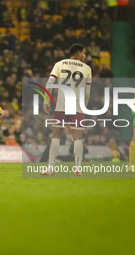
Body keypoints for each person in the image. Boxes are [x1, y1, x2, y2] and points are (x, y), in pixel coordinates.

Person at [43, 43, 92, 176]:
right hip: (77, 106)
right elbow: (87, 92)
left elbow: (50, 83)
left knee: (56, 135)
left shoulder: (60, 64)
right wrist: (84, 106)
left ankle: (50, 168)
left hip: (61, 104)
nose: (85, 55)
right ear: (77, 54)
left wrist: (46, 101)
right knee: (77, 137)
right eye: (83, 53)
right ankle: (77, 169)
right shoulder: (87, 68)